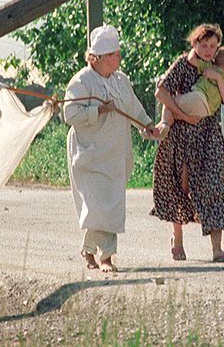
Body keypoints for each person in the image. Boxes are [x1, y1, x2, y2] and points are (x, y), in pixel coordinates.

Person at [63, 25, 160, 272]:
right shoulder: (81, 81)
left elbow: (134, 107)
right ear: (100, 58)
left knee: (109, 204)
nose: (119, 58)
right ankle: (106, 257)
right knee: (97, 204)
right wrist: (98, 110)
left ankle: (88, 249)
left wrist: (146, 124)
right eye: (115, 54)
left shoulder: (121, 80)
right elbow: (69, 113)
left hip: (115, 152)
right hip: (89, 153)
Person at [152, 23, 224, 262]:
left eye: (213, 46)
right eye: (204, 45)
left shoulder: (216, 67)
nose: (209, 50)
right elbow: (161, 92)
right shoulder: (183, 64)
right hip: (181, 134)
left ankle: (217, 249)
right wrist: (180, 116)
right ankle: (177, 240)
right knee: (180, 187)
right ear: (194, 43)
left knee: (215, 186)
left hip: (208, 135)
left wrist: (217, 78)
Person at [155, 45, 224, 140]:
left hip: (199, 98)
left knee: (170, 103)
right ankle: (162, 127)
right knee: (175, 114)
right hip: (208, 111)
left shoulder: (210, 67)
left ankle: (163, 125)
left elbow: (191, 59)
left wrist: (194, 48)